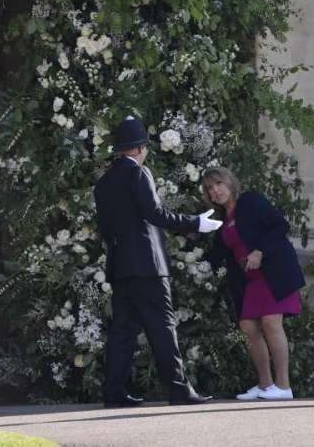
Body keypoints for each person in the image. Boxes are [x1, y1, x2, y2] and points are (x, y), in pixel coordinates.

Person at [94, 115, 221, 407]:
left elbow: (106, 228)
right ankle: (178, 388)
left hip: (120, 266)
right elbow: (156, 214)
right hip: (147, 265)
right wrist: (196, 223)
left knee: (123, 332)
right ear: (139, 148)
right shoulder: (139, 173)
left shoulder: (104, 183)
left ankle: (113, 391)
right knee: (163, 326)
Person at [203, 166, 306, 401]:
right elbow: (219, 254)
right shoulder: (221, 220)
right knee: (249, 329)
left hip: (273, 273)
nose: (215, 191)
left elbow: (280, 225)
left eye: (218, 184)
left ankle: (284, 386)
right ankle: (265, 385)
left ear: (230, 182)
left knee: (271, 323)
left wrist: (260, 252)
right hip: (248, 282)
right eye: (210, 189)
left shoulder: (250, 201)